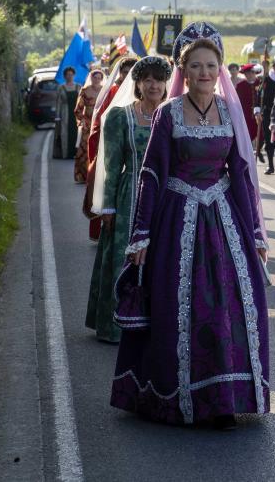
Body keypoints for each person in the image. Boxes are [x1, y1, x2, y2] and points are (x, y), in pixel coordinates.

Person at [111, 22, 270, 430]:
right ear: (184, 69)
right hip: (177, 217)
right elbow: (151, 174)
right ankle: (181, 396)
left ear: (220, 69)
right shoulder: (168, 113)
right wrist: (141, 233)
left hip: (222, 219)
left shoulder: (230, 113)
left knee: (227, 307)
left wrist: (254, 233)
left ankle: (223, 400)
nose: (204, 73)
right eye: (196, 66)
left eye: (211, 65)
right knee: (178, 305)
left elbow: (240, 174)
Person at [86, 56, 172, 342]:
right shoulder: (120, 116)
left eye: (159, 80)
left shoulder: (172, 116)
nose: (154, 85)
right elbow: (111, 164)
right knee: (125, 256)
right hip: (128, 197)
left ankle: (154, 325)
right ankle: (116, 325)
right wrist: (108, 206)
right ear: (137, 83)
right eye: (147, 79)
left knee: (161, 260)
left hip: (164, 197)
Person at [83, 57, 139, 241]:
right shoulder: (112, 91)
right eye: (125, 71)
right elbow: (100, 121)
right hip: (111, 147)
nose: (129, 75)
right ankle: (103, 227)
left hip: (135, 150)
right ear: (120, 73)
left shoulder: (145, 91)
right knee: (101, 183)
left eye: (133, 71)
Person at [73, 69, 104, 183]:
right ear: (91, 78)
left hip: (101, 123)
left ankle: (97, 176)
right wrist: (83, 121)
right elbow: (78, 110)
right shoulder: (84, 91)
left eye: (99, 78)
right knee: (85, 149)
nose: (96, 80)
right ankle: (83, 176)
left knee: (100, 149)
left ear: (101, 79)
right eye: (94, 77)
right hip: (88, 124)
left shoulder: (105, 91)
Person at [235, 63, 263, 161]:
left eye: (251, 72)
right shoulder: (240, 85)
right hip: (246, 115)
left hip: (259, 115)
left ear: (255, 73)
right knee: (247, 136)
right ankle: (247, 155)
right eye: (247, 73)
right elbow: (237, 101)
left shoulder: (261, 84)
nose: (249, 75)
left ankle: (258, 151)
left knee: (262, 135)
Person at [53, 66, 82, 159]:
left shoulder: (78, 87)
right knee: (65, 133)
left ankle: (77, 153)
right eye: (67, 75)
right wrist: (57, 116)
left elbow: (82, 102)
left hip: (77, 114)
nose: (69, 76)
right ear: (65, 76)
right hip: (65, 114)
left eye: (71, 74)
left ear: (74, 75)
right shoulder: (61, 88)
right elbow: (58, 103)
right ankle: (66, 153)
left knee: (77, 133)